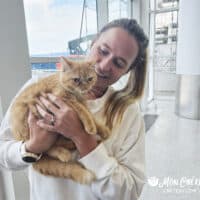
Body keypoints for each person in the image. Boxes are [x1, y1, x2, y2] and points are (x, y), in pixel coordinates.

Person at [0, 18, 148, 200]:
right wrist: (32, 147)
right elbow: (3, 152)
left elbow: (130, 192)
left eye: (118, 63)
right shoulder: (38, 86)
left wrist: (82, 138)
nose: (103, 66)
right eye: (102, 51)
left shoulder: (128, 113)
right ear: (92, 44)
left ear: (127, 71)